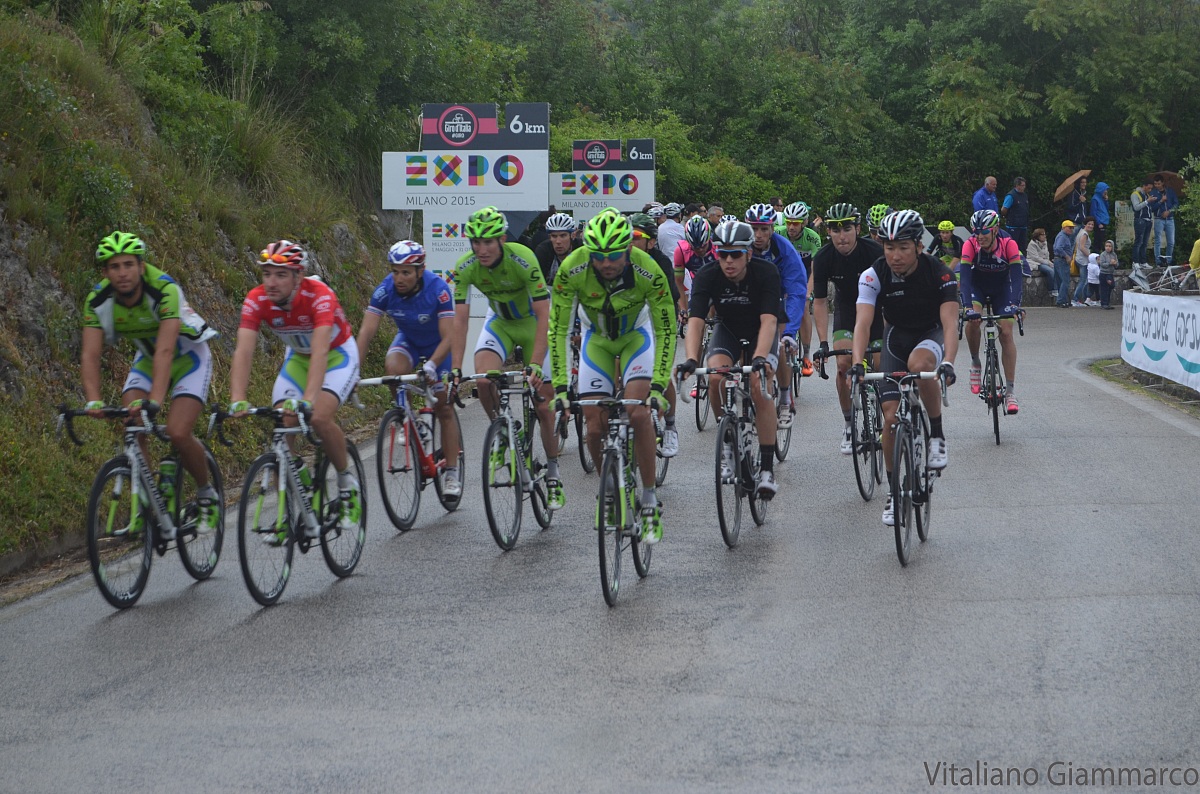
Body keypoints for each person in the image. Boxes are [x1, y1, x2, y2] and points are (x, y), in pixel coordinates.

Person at [548, 209, 677, 543]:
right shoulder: (572, 267)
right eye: (599, 257)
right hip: (598, 341)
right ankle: (608, 488)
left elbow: (666, 330)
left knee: (638, 411)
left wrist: (660, 385)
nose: (606, 264)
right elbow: (559, 329)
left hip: (637, 336)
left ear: (629, 250)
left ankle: (649, 498)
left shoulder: (648, 270)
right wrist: (561, 385)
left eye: (614, 256)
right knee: (593, 422)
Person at [82, 231, 221, 539]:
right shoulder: (98, 300)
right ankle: (149, 504)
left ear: (142, 267)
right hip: (147, 358)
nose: (122, 273)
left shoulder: (164, 290)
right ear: (105, 272)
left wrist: (155, 400)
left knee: (177, 431)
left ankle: (206, 494)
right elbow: (90, 354)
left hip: (188, 358)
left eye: (129, 264)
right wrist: (93, 399)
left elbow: (167, 351)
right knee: (133, 423)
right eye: (114, 266)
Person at [230, 240, 361, 535]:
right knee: (282, 426)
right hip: (298, 360)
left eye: (280, 275)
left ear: (298, 277)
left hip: (336, 355)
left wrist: (309, 399)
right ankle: (289, 508)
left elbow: (320, 352)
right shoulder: (256, 299)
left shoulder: (320, 296)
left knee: (318, 417)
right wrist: (237, 398)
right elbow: (244, 351)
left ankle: (345, 482)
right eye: (266, 274)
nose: (271, 283)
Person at [849, 210, 959, 527]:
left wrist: (948, 362)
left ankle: (936, 434)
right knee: (891, 417)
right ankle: (894, 491)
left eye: (903, 248)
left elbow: (950, 324)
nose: (894, 256)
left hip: (930, 334)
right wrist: (858, 363)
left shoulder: (939, 273)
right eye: (889, 247)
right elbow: (862, 323)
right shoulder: (873, 274)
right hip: (895, 338)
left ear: (919, 247)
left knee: (919, 365)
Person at [449, 206, 563, 509]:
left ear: (501, 239)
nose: (481, 249)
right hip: (498, 322)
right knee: (484, 380)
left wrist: (536, 363)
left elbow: (543, 315)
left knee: (545, 405)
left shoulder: (523, 259)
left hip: (532, 323)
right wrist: (456, 368)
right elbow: (459, 321)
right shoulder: (466, 267)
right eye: (475, 242)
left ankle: (553, 473)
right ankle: (501, 431)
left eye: (488, 242)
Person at [676, 221, 782, 498]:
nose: (729, 261)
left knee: (759, 385)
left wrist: (760, 357)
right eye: (723, 254)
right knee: (715, 378)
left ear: (748, 254)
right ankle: (728, 442)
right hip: (729, 330)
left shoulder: (766, 271)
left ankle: (767, 469)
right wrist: (690, 358)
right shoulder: (708, 275)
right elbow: (696, 320)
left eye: (735, 254)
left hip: (760, 330)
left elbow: (770, 320)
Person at [356, 241, 462, 496]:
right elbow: (366, 331)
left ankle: (451, 473)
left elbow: (449, 337)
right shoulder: (385, 290)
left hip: (439, 346)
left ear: (420, 270)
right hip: (409, 342)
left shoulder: (439, 290)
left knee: (443, 406)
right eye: (395, 271)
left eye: (406, 272)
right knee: (392, 370)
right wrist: (354, 371)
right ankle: (409, 418)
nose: (399, 278)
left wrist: (435, 365)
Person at [811, 203, 885, 453]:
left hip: (877, 309)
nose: (841, 236)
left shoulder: (873, 251)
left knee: (882, 365)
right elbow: (820, 302)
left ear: (858, 229)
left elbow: (890, 294)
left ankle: (888, 417)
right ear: (828, 232)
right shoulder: (823, 257)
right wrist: (822, 343)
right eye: (835, 229)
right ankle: (848, 424)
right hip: (846, 308)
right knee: (843, 366)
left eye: (847, 229)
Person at [744, 203, 808, 430]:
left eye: (764, 229)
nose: (758, 235)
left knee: (780, 345)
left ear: (772, 229)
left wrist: (790, 331)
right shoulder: (741, 245)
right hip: (748, 297)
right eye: (754, 228)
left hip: (776, 298)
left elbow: (797, 291)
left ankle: (784, 398)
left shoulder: (785, 249)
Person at [959, 209, 1024, 414]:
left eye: (984, 231)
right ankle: (976, 362)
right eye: (976, 231)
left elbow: (1016, 276)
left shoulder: (1008, 244)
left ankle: (1010, 392)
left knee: (1006, 332)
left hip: (1002, 289)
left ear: (995, 229)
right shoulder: (970, 244)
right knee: (972, 321)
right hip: (978, 287)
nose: (979, 236)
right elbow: (966, 279)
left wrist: (1015, 304)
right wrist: (968, 307)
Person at [628, 212, 682, 457]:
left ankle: (670, 424)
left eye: (636, 237)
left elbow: (672, 299)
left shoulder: (660, 262)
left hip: (657, 319)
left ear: (651, 241)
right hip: (632, 323)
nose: (630, 241)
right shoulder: (622, 258)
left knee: (661, 373)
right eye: (628, 236)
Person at [782, 201, 822, 376]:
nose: (791, 226)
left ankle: (806, 355)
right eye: (788, 222)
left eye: (795, 223)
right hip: (785, 275)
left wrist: (808, 292)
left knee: (804, 307)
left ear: (804, 223)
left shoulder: (812, 237)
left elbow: (815, 268)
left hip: (805, 276)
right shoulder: (778, 233)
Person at [673, 215, 716, 315]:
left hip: (718, 284)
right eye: (695, 248)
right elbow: (678, 282)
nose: (700, 250)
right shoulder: (681, 251)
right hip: (697, 284)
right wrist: (683, 309)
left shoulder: (717, 248)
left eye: (703, 246)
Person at [534, 212, 580, 285]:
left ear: (573, 236)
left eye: (563, 236)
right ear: (549, 237)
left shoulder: (581, 248)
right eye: (554, 236)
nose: (558, 241)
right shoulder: (543, 251)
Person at [1152, 174, 1180, 266]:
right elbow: (1152, 208)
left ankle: (1168, 260)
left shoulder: (1170, 191)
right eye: (1155, 184)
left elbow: (1176, 204)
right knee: (1158, 241)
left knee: (1171, 241)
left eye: (1159, 183)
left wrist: (1169, 211)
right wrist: (1161, 201)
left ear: (1163, 183)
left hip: (1170, 219)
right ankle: (1158, 262)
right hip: (1158, 218)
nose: (1157, 185)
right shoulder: (1153, 193)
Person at [1130, 177, 1156, 269]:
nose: (1150, 190)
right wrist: (1147, 201)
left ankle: (1143, 262)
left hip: (1148, 220)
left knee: (1145, 242)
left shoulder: (1147, 195)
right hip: (1140, 220)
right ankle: (1135, 262)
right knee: (1138, 242)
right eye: (1148, 188)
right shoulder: (1135, 194)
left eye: (1151, 188)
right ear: (1144, 186)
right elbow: (1136, 207)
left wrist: (1151, 200)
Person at [1001, 177, 1031, 251]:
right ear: (1017, 186)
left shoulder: (1024, 195)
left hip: (1023, 225)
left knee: (1022, 247)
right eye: (1022, 185)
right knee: (1012, 246)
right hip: (1013, 226)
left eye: (1024, 185)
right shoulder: (1011, 196)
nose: (1024, 187)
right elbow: (1004, 210)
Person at [1072, 217, 1095, 307]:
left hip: (1080, 259)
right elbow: (1082, 247)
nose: (1091, 226)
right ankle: (1075, 299)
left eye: (1092, 224)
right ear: (1085, 224)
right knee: (1083, 280)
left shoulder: (1081, 232)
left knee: (1085, 280)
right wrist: (1091, 256)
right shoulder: (1084, 234)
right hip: (1083, 260)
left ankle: (1086, 299)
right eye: (1089, 224)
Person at [1026, 228, 1055, 300]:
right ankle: (1052, 291)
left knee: (1056, 270)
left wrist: (1049, 262)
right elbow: (1035, 257)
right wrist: (1047, 263)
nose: (1044, 236)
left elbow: (1047, 254)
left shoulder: (1045, 243)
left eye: (1045, 234)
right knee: (1050, 271)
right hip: (1035, 263)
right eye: (1042, 235)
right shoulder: (1032, 244)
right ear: (1037, 236)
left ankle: (1058, 290)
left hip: (1045, 262)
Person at [1052, 221, 1076, 308]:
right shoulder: (1063, 236)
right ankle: (1061, 300)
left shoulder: (1063, 236)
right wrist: (1067, 256)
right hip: (1062, 260)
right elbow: (1058, 248)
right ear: (1063, 227)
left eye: (1072, 228)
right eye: (1069, 227)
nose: (1071, 229)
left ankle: (1063, 300)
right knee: (1065, 281)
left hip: (1058, 260)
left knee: (1060, 281)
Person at [1096, 240, 1118, 309]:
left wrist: (1115, 264)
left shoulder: (1114, 254)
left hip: (1110, 273)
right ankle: (1104, 304)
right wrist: (1109, 263)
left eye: (1109, 246)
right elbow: (1102, 264)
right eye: (1106, 246)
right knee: (1104, 289)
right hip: (1104, 273)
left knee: (1110, 287)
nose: (1108, 248)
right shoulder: (1103, 254)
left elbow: (1117, 264)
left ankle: (1107, 303)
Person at [1090, 182, 1111, 247]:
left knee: (1102, 241)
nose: (1106, 191)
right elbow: (1093, 212)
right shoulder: (1095, 199)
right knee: (1098, 241)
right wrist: (1098, 223)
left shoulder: (1102, 198)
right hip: (1100, 223)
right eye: (1105, 190)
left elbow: (1106, 208)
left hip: (1104, 221)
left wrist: (1106, 200)